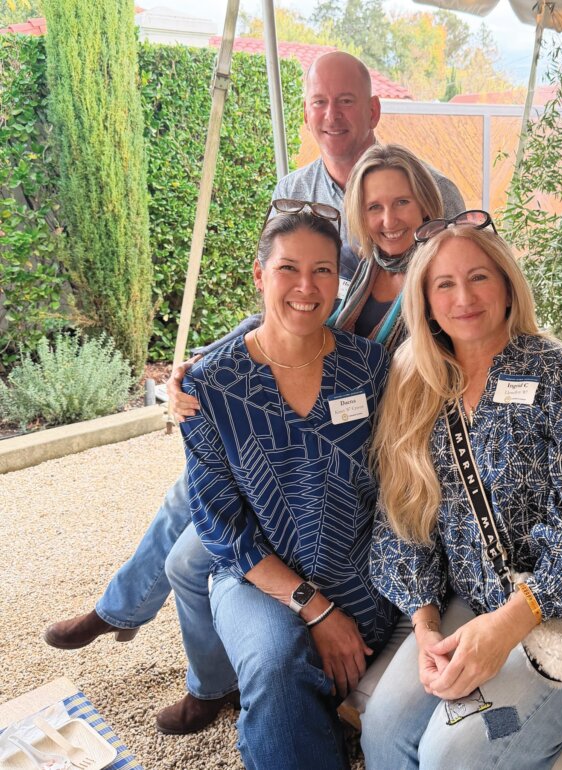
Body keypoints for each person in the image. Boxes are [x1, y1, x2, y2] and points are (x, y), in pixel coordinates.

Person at [43, 131, 456, 734]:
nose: (388, 219)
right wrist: (203, 364)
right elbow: (285, 310)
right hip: (297, 404)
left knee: (190, 561)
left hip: (356, 442)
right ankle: (163, 644)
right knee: (193, 490)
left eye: (401, 203)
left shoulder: (437, 276)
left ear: (427, 203)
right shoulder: (365, 267)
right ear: (359, 215)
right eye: (374, 206)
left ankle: (190, 666)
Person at [362, 218, 562, 770]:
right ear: (425, 302)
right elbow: (402, 518)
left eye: (479, 277)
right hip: (472, 603)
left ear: (506, 284)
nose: (464, 297)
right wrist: (426, 630)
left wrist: (507, 626)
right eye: (444, 284)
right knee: (382, 730)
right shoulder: (416, 383)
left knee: (450, 755)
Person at [178, 208, 399, 770]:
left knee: (309, 681)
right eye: (288, 269)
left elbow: (401, 483)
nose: (306, 286)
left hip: (361, 571)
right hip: (257, 577)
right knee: (276, 662)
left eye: (323, 270)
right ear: (259, 274)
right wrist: (315, 609)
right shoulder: (211, 384)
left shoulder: (370, 368)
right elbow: (221, 527)